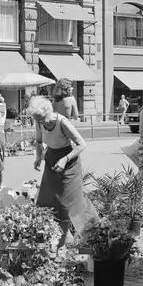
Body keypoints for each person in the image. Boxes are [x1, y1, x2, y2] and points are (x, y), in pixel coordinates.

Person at [29, 95, 90, 246]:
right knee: (47, 201)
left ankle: (82, 240)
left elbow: (82, 144)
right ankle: (54, 242)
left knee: (67, 204)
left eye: (42, 118)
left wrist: (64, 159)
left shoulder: (62, 122)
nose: (40, 122)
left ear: (49, 112)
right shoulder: (39, 121)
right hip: (51, 162)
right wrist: (38, 157)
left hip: (68, 164)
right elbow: (38, 140)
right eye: (37, 120)